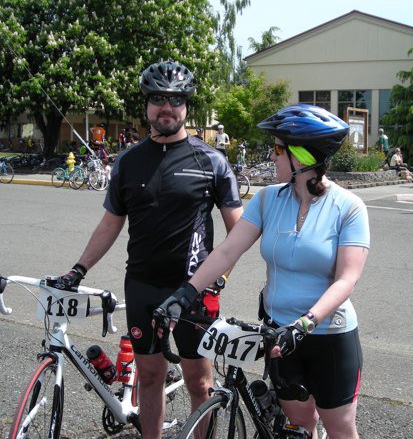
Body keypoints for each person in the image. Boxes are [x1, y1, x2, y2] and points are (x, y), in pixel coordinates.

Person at [156, 104, 370, 438]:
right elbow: (227, 250)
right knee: (299, 426)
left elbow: (347, 279)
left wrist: (303, 325)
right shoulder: (268, 200)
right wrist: (184, 294)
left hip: (328, 337)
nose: (272, 157)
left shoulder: (348, 207)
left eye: (278, 150)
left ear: (302, 156)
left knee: (340, 428)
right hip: (278, 335)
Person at [57, 61, 243, 438]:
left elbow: (238, 231)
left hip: (193, 289)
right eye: (158, 99)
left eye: (175, 100)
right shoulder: (128, 161)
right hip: (142, 285)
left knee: (199, 382)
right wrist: (79, 268)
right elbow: (110, 223)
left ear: (186, 105)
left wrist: (219, 278)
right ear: (146, 105)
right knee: (150, 377)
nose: (166, 108)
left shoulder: (212, 161)